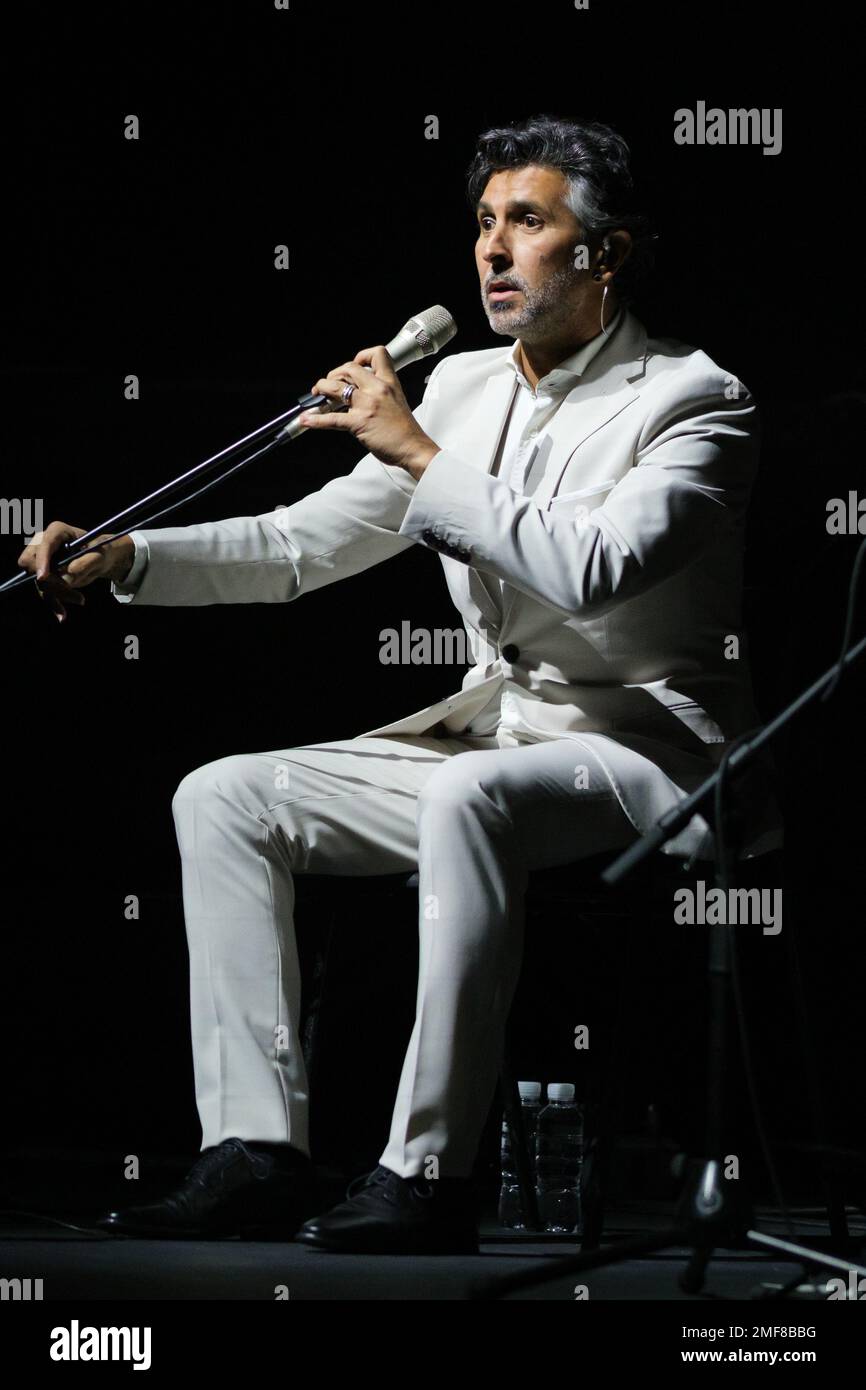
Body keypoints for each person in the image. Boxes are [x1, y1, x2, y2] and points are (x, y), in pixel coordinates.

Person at [18, 114, 780, 1254]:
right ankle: (254, 1151)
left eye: (527, 221)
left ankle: (429, 1175)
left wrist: (416, 452)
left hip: (649, 752)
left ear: (604, 252)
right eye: (483, 223)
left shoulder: (692, 398)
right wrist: (133, 558)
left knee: (460, 798)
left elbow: (593, 568)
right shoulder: (465, 389)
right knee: (223, 794)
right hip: (492, 735)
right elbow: (294, 547)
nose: (492, 248)